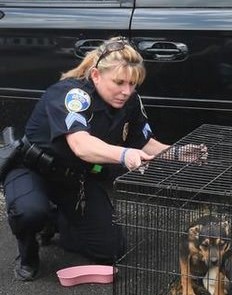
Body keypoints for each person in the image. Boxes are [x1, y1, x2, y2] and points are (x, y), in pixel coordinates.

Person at [2, 36, 207, 281]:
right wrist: (123, 155)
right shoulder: (73, 95)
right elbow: (81, 145)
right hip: (34, 169)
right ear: (97, 75)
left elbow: (143, 143)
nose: (126, 91)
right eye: (119, 82)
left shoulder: (130, 101)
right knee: (30, 212)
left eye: (132, 84)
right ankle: (28, 253)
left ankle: (57, 220)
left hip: (75, 179)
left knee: (110, 250)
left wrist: (175, 154)